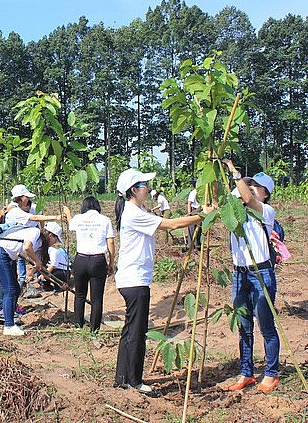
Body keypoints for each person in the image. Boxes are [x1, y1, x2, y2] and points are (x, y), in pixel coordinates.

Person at [113, 168, 214, 394]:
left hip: (132, 278)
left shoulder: (137, 209)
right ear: (133, 190)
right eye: (144, 185)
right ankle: (134, 381)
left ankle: (122, 378)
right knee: (137, 333)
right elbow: (172, 225)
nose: (148, 189)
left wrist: (199, 210)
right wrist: (202, 216)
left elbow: (169, 220)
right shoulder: (133, 213)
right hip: (135, 280)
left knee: (130, 330)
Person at [223, 160, 280, 394]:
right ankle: (246, 372)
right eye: (250, 184)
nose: (251, 188)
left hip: (261, 273)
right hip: (240, 275)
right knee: (244, 327)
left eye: (256, 186)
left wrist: (235, 171)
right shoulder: (236, 213)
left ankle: (271, 373)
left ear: (265, 194)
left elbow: (248, 199)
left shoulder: (265, 212)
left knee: (266, 325)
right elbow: (228, 200)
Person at [0, 224, 54, 336]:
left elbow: (40, 266)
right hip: (0, 254)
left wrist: (56, 281)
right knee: (10, 289)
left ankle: (10, 317)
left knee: (15, 289)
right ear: (51, 235)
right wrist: (36, 262)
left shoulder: (40, 245)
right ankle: (9, 325)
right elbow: (27, 247)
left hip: (7, 257)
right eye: (56, 240)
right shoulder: (35, 232)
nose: (54, 243)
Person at [66, 196, 115, 333]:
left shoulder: (79, 218)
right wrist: (111, 262)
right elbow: (110, 242)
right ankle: (94, 329)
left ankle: (78, 326)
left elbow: (70, 224)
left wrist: (67, 212)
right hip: (97, 261)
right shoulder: (105, 220)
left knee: (79, 295)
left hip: (80, 260)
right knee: (97, 298)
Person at [40, 222, 69, 292]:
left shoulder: (54, 251)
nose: (56, 242)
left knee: (52, 274)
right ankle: (47, 286)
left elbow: (53, 265)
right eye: (56, 239)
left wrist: (44, 275)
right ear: (50, 235)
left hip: (62, 271)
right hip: (54, 270)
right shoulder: (43, 248)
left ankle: (58, 286)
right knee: (42, 273)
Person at [186, 185, 202, 250]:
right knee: (192, 229)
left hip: (201, 210)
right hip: (194, 210)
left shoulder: (202, 192)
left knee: (199, 229)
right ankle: (191, 246)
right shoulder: (194, 192)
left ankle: (198, 245)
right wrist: (189, 213)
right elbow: (189, 203)